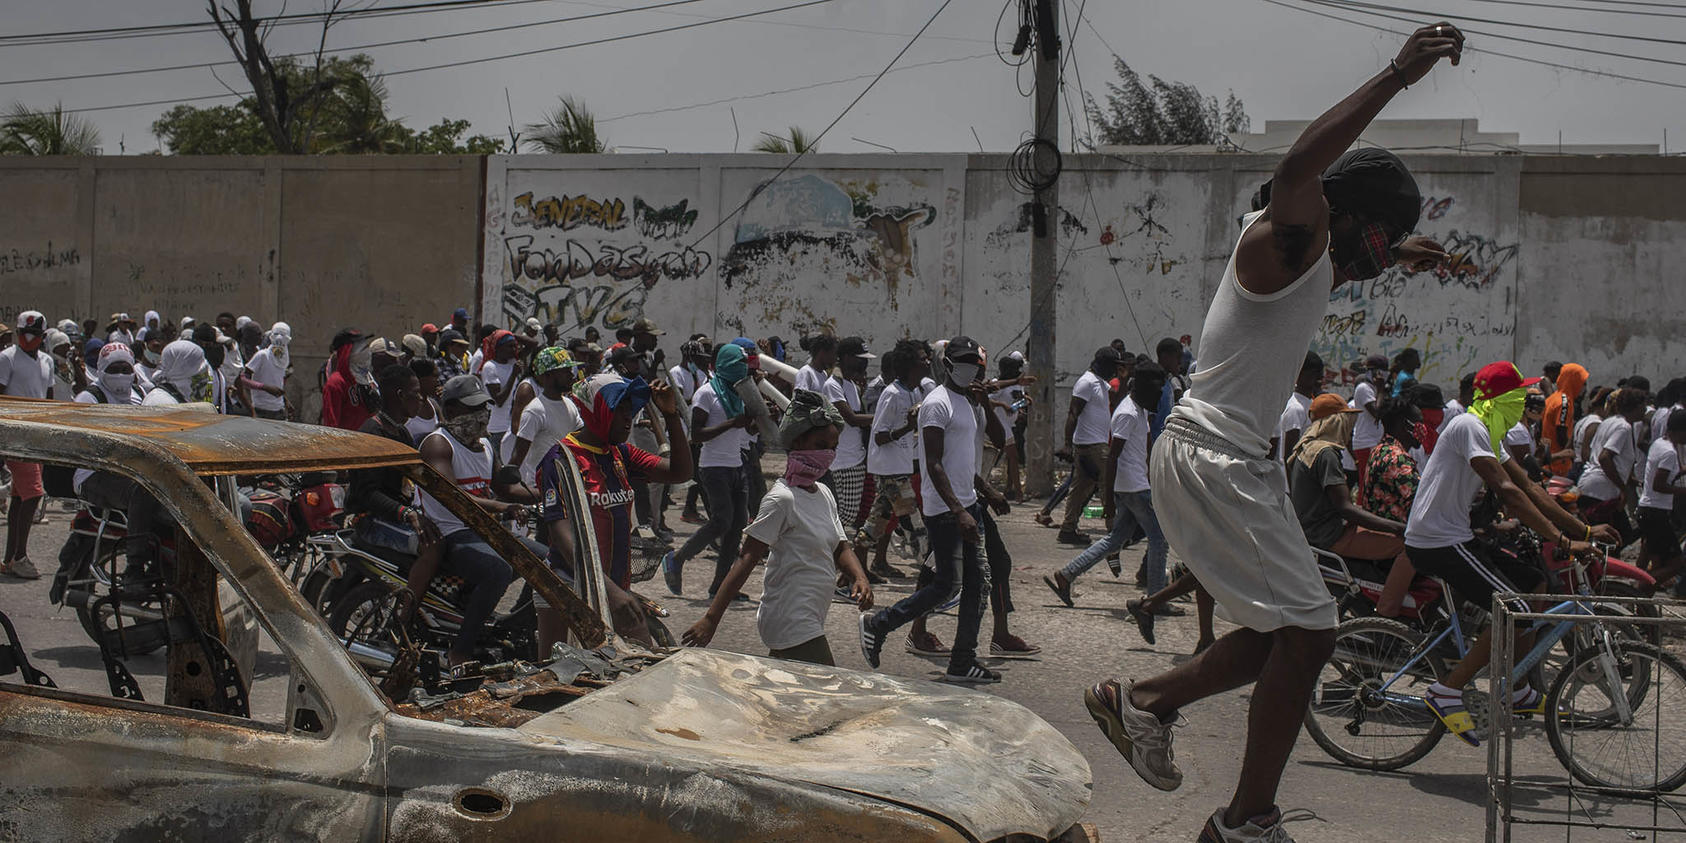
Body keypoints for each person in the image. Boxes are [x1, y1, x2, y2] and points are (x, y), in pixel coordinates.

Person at [1085, 25, 1464, 842]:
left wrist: (1409, 252)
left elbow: (1369, 245)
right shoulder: (1279, 241)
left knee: (1280, 637)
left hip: (1222, 459)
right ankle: (1247, 817)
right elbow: (1299, 171)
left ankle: (1143, 701)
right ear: (1338, 212)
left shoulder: (1322, 257)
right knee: (1315, 630)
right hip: (1214, 454)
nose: (1371, 259)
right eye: (1372, 237)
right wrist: (1398, 75)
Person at [1407, 362, 1615, 745]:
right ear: (1499, 399)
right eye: (1518, 395)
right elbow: (1508, 492)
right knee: (1513, 608)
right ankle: (1447, 691)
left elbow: (1530, 488)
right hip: (1436, 540)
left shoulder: (1490, 433)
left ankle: (1515, 687)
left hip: (1455, 536)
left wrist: (1581, 529)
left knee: (1534, 584)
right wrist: (1564, 541)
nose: (1525, 401)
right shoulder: (1469, 426)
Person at [684, 389, 872, 664]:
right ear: (797, 442)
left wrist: (860, 576)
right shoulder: (781, 499)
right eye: (821, 444)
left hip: (809, 617)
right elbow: (746, 559)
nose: (828, 454)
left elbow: (840, 544)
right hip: (790, 617)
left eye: (833, 447)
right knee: (826, 687)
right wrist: (711, 619)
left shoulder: (823, 493)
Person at [859, 337, 1001, 684]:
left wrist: (985, 491)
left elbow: (982, 448)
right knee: (947, 585)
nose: (970, 369)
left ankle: (961, 661)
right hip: (946, 510)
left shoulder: (968, 403)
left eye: (975, 363)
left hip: (967, 503)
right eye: (963, 362)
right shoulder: (937, 404)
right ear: (947, 365)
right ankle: (879, 624)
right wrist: (958, 510)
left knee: (974, 584)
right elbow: (934, 463)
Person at [537, 372, 692, 653]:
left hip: (615, 589)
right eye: (618, 409)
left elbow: (680, 472)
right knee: (562, 679)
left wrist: (671, 415)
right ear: (594, 411)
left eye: (629, 409)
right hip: (569, 588)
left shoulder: (620, 453)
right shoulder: (561, 460)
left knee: (636, 671)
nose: (627, 417)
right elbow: (562, 537)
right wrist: (612, 592)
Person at [417, 375, 544, 668]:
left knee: (545, 558)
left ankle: (516, 627)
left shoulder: (485, 445)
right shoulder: (438, 444)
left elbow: (505, 487)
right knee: (498, 570)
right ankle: (460, 651)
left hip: (483, 532)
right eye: (471, 409)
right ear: (450, 411)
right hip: (450, 534)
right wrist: (504, 508)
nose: (481, 415)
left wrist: (549, 493)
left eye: (483, 408)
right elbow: (453, 497)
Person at [1044, 363, 1170, 608]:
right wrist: (1109, 500)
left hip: (1135, 484)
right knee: (1159, 539)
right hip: (1132, 488)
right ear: (1144, 388)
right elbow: (1112, 457)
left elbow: (1142, 451)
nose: (1159, 397)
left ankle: (1067, 574)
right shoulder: (1128, 413)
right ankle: (1156, 600)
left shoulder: (1140, 410)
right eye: (1157, 391)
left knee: (1116, 539)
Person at [662, 343, 756, 598]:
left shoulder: (738, 394)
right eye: (738, 365)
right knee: (721, 521)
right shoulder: (706, 394)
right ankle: (678, 558)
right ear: (725, 366)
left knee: (736, 528)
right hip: (714, 467)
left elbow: (747, 431)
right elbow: (697, 434)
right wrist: (732, 423)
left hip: (736, 466)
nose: (743, 370)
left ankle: (720, 586)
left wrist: (754, 422)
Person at [854, 340, 927, 579]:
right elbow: (880, 436)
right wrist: (908, 427)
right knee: (914, 526)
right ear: (909, 366)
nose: (926, 363)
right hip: (889, 471)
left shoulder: (914, 391)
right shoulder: (892, 395)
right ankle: (935, 575)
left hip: (901, 467)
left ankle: (855, 571)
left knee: (879, 520)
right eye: (921, 359)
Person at [1053, 346, 1128, 545]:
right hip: (1093, 445)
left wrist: (1124, 379)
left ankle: (1068, 529)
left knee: (1080, 489)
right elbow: (1073, 412)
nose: (1115, 371)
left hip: (1092, 444)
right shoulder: (1086, 382)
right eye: (1113, 366)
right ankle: (1115, 531)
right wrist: (1067, 444)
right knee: (1109, 484)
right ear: (1103, 365)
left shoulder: (1100, 383)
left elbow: (1117, 401)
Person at [1, 312, 55, 579]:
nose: (28, 338)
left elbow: (49, 398)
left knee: (20, 498)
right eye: (24, 333)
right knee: (33, 495)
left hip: (38, 437)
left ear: (43, 336)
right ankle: (21, 556)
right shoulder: (7, 358)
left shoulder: (47, 361)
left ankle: (10, 557)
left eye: (34, 334)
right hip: (15, 436)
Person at [823, 337, 877, 548]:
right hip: (843, 461)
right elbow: (851, 419)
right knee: (844, 515)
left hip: (855, 458)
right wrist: (883, 418)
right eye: (859, 359)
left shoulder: (850, 385)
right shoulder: (832, 386)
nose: (863, 364)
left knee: (850, 514)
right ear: (846, 358)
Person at [1576, 386, 1646, 541]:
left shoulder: (1609, 422)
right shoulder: (1624, 427)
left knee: (1620, 535)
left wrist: (1632, 481)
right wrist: (1623, 488)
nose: (1645, 410)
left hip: (1592, 484)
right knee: (1614, 539)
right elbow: (1604, 458)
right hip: (1602, 489)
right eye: (1643, 406)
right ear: (1636, 407)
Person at [506, 347, 583, 484]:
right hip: (542, 487)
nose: (571, 375)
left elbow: (581, 439)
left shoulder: (570, 405)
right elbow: (516, 459)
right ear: (547, 375)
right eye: (565, 371)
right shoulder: (535, 411)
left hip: (569, 486)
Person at [1636, 411, 1686, 590]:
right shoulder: (1670, 452)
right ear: (1679, 431)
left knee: (1653, 558)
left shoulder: (1659, 443)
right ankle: (1638, 589)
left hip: (1647, 509)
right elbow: (1659, 485)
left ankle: (1641, 602)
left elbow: (1667, 473)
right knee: (1676, 564)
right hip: (1656, 512)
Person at [990, 351, 1032, 501]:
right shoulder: (998, 384)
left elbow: (1016, 402)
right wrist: (1002, 405)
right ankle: (1018, 493)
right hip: (999, 425)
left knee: (1010, 458)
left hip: (1010, 424)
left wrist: (1024, 402)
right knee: (1011, 457)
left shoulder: (1017, 385)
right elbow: (988, 401)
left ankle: (1013, 490)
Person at [476, 330, 523, 457]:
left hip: (511, 426)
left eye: (515, 345)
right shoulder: (490, 367)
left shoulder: (512, 363)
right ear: (499, 348)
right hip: (497, 427)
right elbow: (499, 400)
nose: (514, 349)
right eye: (510, 346)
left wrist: (511, 334)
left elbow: (533, 344)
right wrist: (513, 375)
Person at [1273, 351, 1325, 463]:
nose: (1320, 378)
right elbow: (1289, 456)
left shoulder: (1311, 403)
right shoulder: (1295, 408)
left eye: (1320, 373)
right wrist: (1293, 480)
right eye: (1314, 373)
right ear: (1299, 373)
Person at [1350, 353, 1389, 498]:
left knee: (1371, 484)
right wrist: (1380, 389)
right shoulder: (1364, 388)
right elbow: (1376, 413)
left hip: (1373, 442)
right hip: (1366, 443)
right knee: (1367, 485)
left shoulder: (1373, 388)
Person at [322, 329, 375, 430]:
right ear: (347, 352)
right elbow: (331, 426)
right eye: (360, 347)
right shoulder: (336, 383)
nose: (366, 351)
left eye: (366, 346)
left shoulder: (366, 379)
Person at [1541, 363, 1587, 477]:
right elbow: (1561, 433)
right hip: (1558, 464)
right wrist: (1568, 454)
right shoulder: (1564, 402)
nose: (1584, 388)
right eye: (1583, 383)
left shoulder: (1553, 398)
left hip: (1549, 459)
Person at [242, 322, 291, 420]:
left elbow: (277, 382)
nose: (279, 338)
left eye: (283, 335)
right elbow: (242, 379)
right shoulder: (262, 355)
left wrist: (286, 401)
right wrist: (264, 387)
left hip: (278, 410)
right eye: (277, 334)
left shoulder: (283, 359)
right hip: (261, 410)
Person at [143, 339, 209, 406]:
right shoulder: (159, 401)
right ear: (179, 366)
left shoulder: (183, 395)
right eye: (195, 363)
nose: (203, 367)